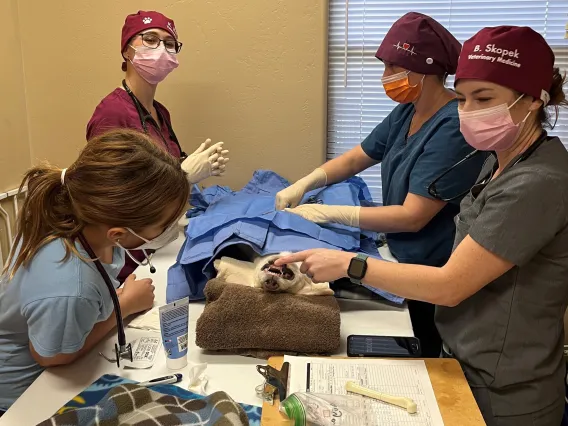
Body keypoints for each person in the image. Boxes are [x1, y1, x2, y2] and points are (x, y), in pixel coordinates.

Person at [276, 26, 568, 425]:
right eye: (463, 98)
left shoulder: (537, 183)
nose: (467, 111)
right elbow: (360, 156)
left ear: (534, 99)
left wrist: (350, 264)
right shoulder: (498, 161)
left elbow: (450, 285)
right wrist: (308, 182)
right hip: (467, 360)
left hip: (506, 392)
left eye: (484, 99)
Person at [276, 12, 486, 357]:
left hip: (430, 267)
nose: (386, 77)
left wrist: (328, 213)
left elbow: (412, 217)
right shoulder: (409, 109)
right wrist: (306, 182)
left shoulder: (453, 127)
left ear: (427, 69)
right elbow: (357, 157)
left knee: (423, 351)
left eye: (394, 67)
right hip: (399, 254)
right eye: (385, 66)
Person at [0, 129, 191, 412]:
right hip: (22, 399)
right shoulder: (69, 286)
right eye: (162, 226)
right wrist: (123, 307)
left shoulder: (82, 224)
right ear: (118, 234)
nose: (168, 231)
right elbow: (51, 357)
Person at [86, 10, 229, 283]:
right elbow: (107, 201)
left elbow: (160, 168)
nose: (161, 49)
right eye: (150, 39)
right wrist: (183, 177)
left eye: (169, 43)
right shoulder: (112, 115)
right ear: (127, 49)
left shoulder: (159, 111)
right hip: (127, 255)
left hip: (159, 239)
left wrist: (192, 165)